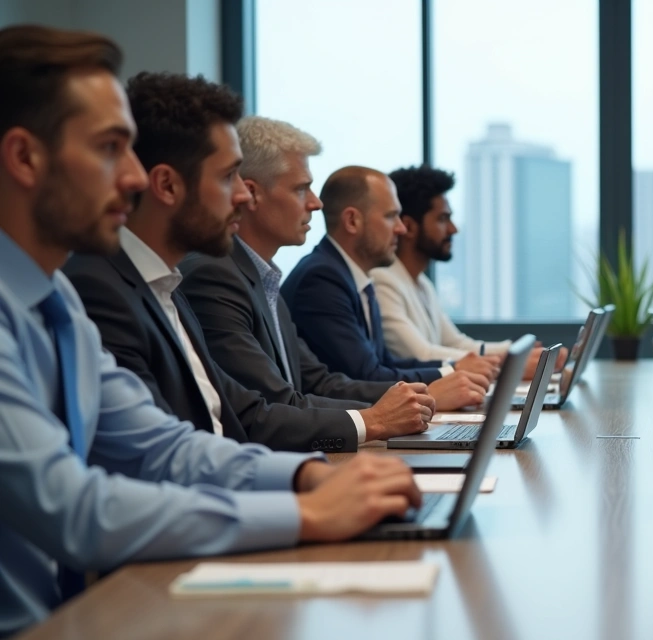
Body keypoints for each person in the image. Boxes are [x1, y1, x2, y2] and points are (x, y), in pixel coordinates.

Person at [0, 25, 421, 636]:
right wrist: (305, 514)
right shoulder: (67, 294)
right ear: (24, 159)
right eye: (110, 148)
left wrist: (305, 477)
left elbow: (162, 445)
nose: (134, 178)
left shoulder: (57, 297)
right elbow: (74, 509)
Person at [63, 73, 435, 452]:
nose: (242, 195)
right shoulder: (121, 286)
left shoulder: (169, 286)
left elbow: (240, 410)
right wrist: (367, 426)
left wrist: (374, 422)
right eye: (229, 177)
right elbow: (168, 454)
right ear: (167, 185)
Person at [179, 117, 491, 412]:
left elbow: (319, 383)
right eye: (301, 189)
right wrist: (399, 407)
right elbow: (276, 404)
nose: (315, 203)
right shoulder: (235, 276)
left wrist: (421, 393)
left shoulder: (264, 278)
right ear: (252, 193)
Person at [282, 166, 494, 398]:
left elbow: (385, 363)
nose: (401, 229)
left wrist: (452, 369)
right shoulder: (321, 279)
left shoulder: (356, 277)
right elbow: (366, 375)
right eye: (391, 216)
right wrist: (449, 373)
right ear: (352, 221)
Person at [371, 165, 565, 377]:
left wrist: (515, 351)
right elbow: (422, 354)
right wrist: (505, 363)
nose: (453, 229)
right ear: (408, 226)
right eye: (442, 219)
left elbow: (456, 343)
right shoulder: (382, 281)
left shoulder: (422, 283)